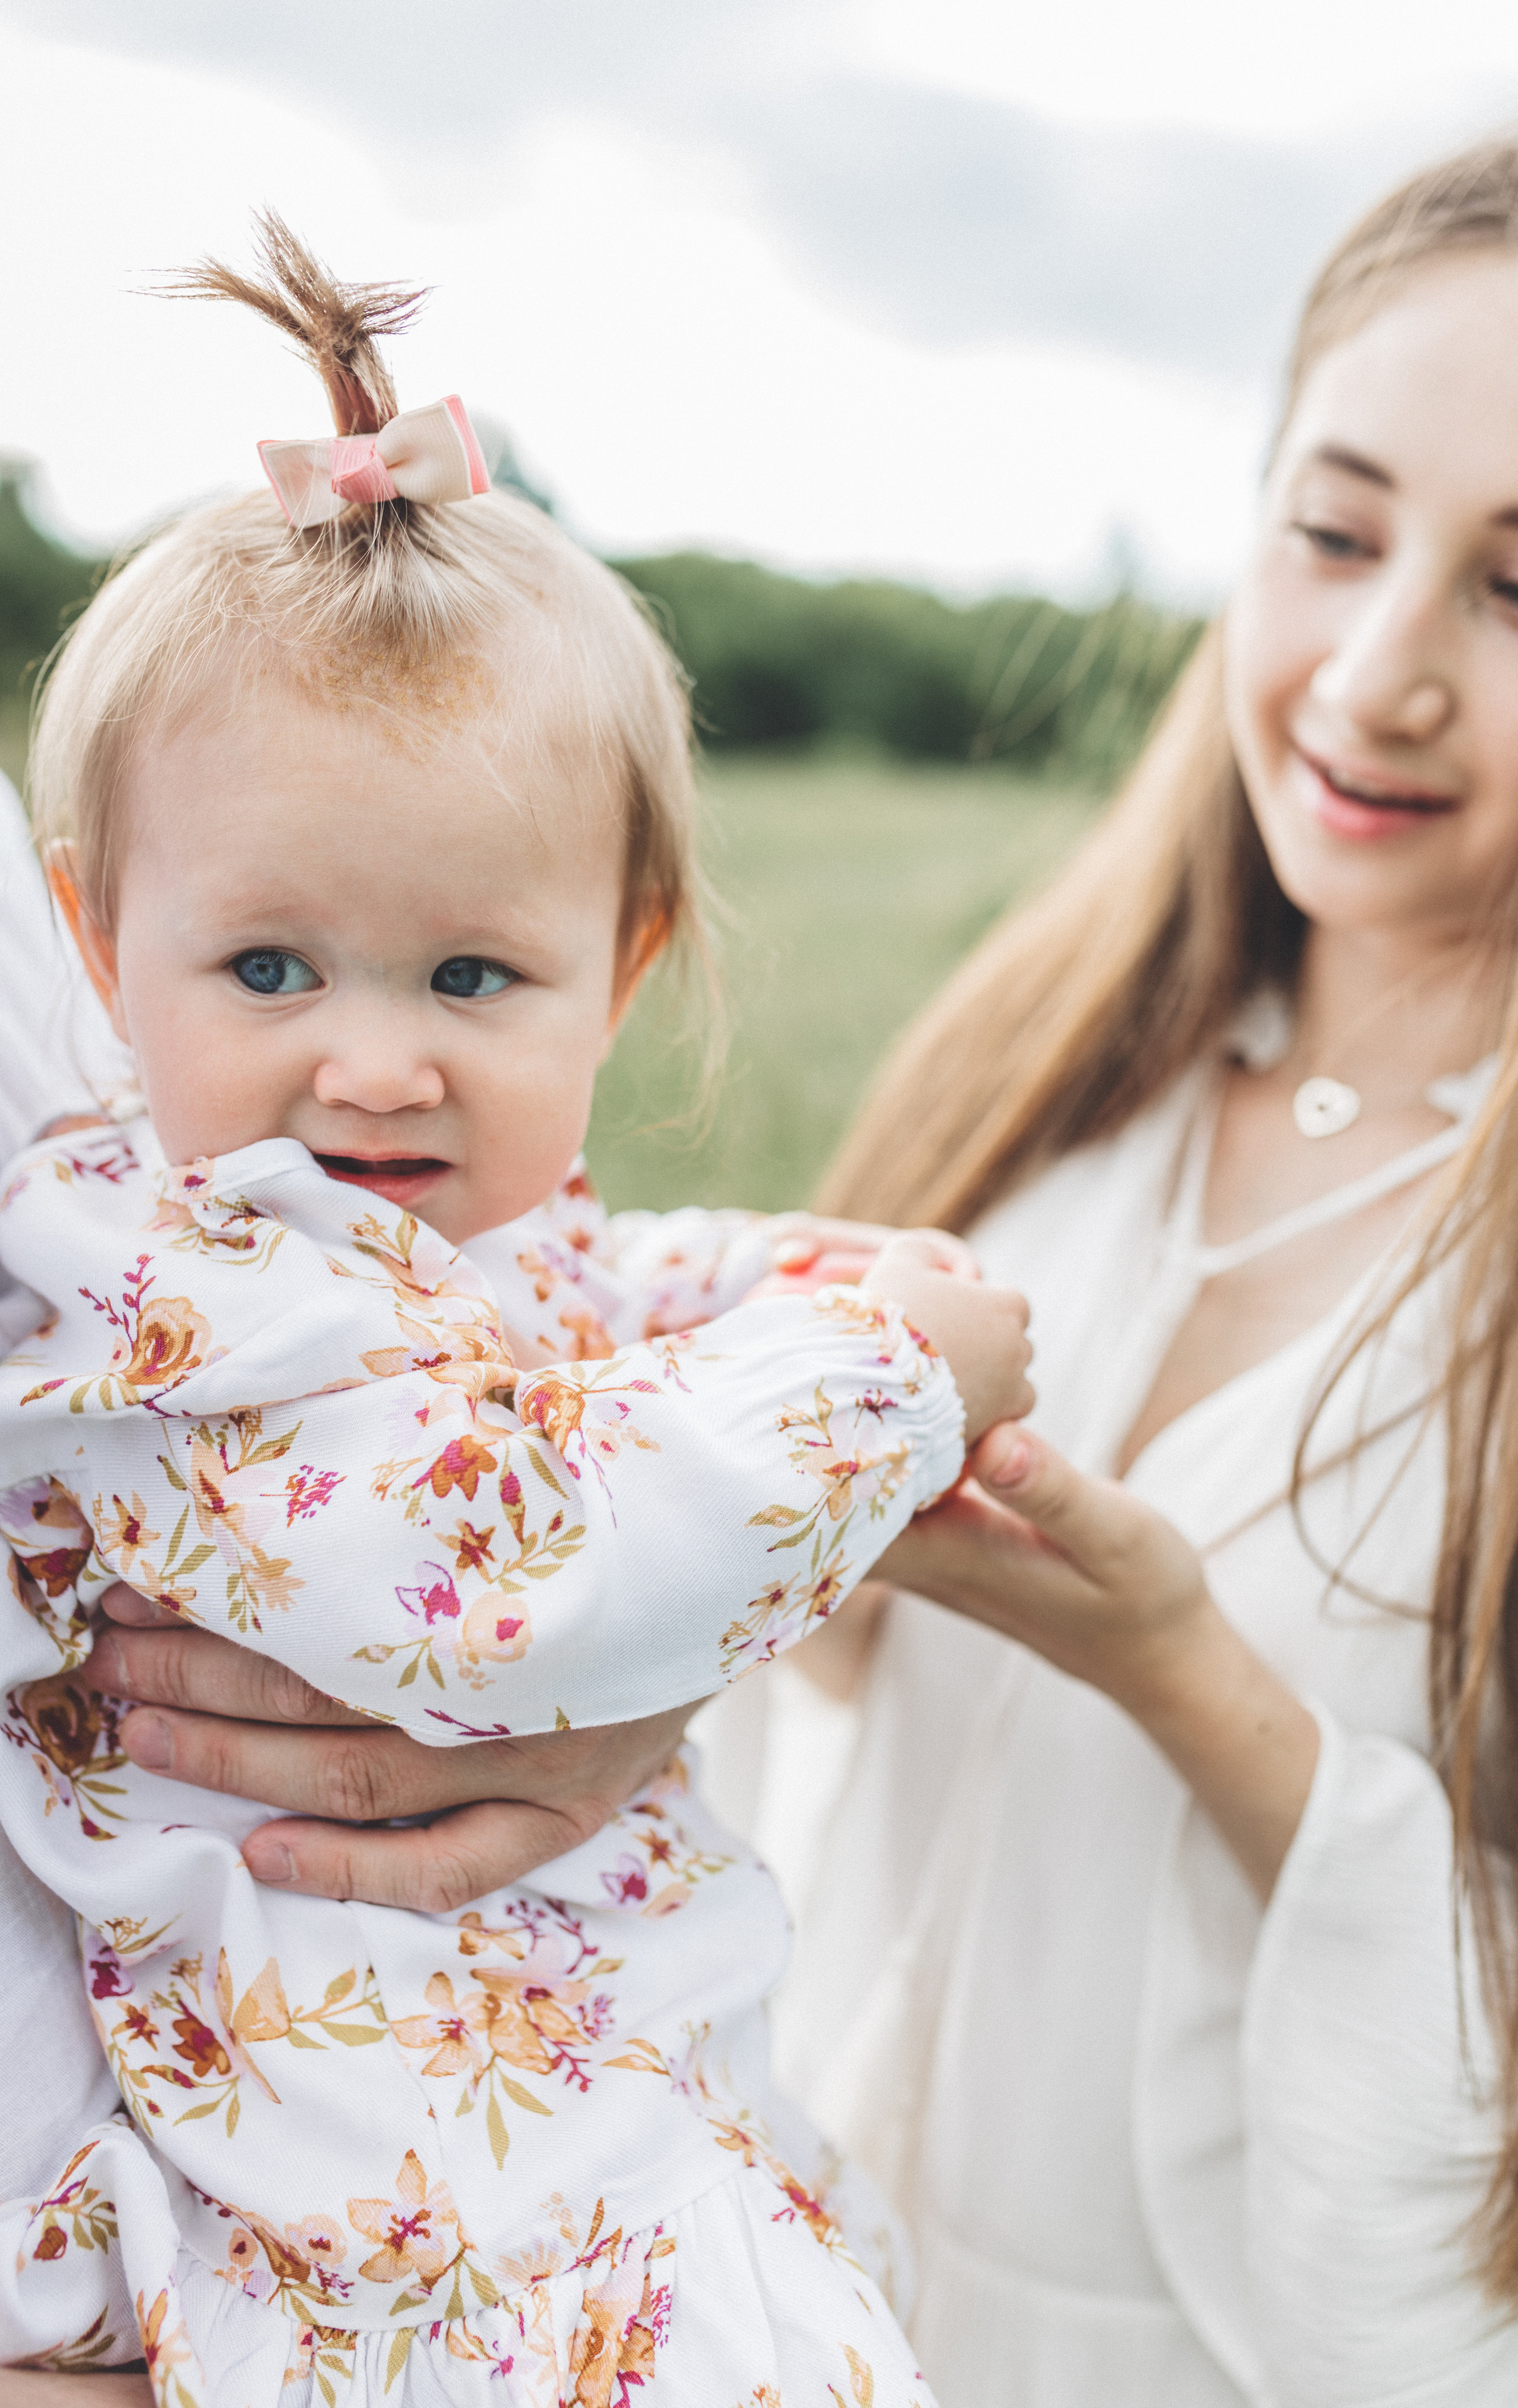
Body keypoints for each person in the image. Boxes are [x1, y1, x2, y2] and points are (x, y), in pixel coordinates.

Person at [0, 219, 1033, 2403]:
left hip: (600, 2149)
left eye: (472, 976)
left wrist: (830, 1280)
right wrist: (904, 1370)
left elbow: (622, 1292)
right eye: (268, 968)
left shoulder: (463, 1243)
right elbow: (509, 1574)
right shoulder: (160, 1302)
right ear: (101, 950)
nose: (374, 1062)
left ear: (623, 965)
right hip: (369, 2229)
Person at [686, 110, 1518, 2405]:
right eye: (1334, 531)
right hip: (790, 2312)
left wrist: (1183, 1666)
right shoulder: (1046, 1081)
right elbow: (799, 1735)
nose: (1377, 671)